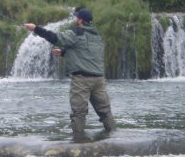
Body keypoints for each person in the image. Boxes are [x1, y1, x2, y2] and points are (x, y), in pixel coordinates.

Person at [24, 8, 117, 137]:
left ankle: (78, 143)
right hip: (99, 80)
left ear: (80, 20)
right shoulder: (97, 36)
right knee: (105, 112)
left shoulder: (76, 33)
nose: (75, 19)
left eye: (76, 17)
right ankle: (114, 140)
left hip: (82, 80)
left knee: (78, 113)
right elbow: (87, 53)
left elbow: (55, 38)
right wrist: (63, 53)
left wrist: (36, 29)